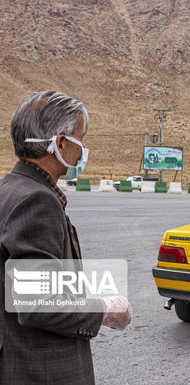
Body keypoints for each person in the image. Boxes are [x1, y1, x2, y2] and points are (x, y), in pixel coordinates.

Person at [0, 91, 132, 384]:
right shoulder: (36, 201)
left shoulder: (8, 189)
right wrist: (103, 310)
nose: (83, 147)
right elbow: (37, 305)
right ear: (60, 143)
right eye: (81, 138)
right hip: (39, 369)